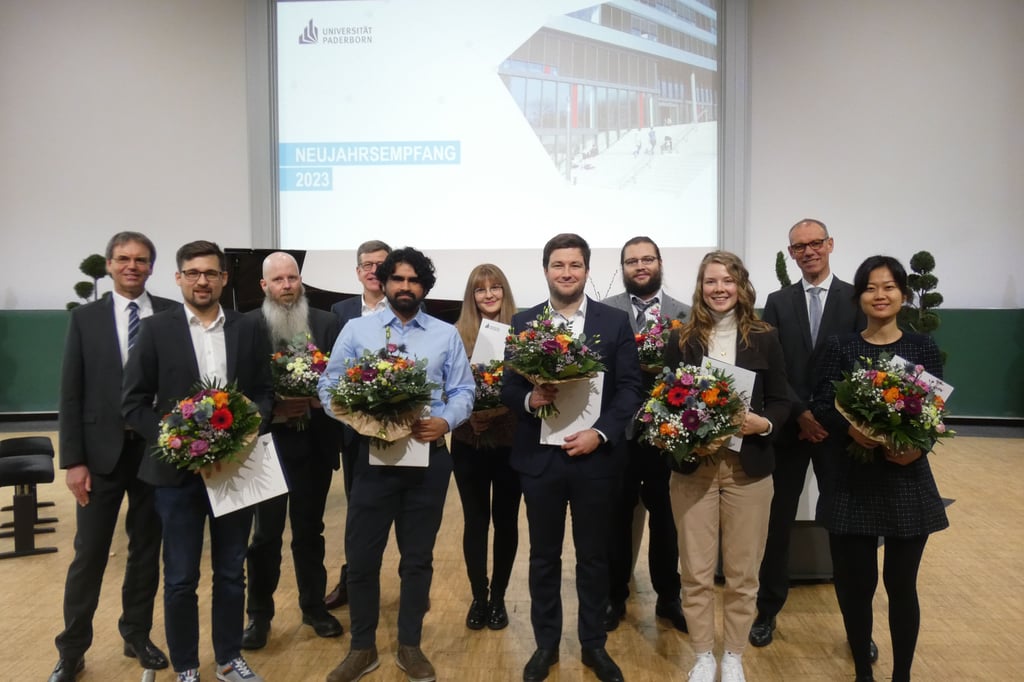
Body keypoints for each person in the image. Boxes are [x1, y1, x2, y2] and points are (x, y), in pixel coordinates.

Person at [318, 247, 474, 682]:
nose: (405, 287)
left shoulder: (444, 335)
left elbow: (464, 390)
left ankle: (410, 645)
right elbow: (328, 385)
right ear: (383, 283)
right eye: (397, 279)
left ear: (424, 287)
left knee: (417, 558)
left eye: (414, 281)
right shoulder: (356, 329)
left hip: (429, 464)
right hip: (372, 461)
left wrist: (446, 418)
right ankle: (362, 648)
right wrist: (358, 417)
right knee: (362, 559)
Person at [122, 240, 274, 682]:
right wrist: (175, 441)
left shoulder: (248, 328)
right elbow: (133, 404)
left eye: (211, 273)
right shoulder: (155, 330)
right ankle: (187, 666)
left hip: (235, 471)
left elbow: (265, 392)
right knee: (180, 578)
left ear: (224, 278)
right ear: (178, 278)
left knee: (230, 572)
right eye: (193, 273)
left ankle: (228, 658)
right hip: (176, 476)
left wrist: (248, 428)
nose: (202, 281)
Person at [502, 233, 643, 682]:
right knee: (543, 557)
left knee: (594, 557)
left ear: (586, 270)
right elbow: (508, 388)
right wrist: (531, 399)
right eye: (558, 265)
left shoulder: (613, 322)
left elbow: (629, 389)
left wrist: (600, 434)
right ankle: (545, 645)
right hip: (539, 463)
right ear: (546, 270)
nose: (567, 273)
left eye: (575, 265)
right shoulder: (524, 323)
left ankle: (592, 645)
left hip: (594, 461)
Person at [811, 255, 948, 682]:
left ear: (903, 295)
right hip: (853, 479)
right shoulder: (841, 346)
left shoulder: (921, 348)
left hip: (906, 479)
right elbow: (821, 406)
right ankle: (863, 675)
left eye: (889, 287)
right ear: (859, 298)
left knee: (902, 586)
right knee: (857, 587)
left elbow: (936, 411)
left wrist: (917, 448)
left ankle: (902, 675)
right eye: (871, 288)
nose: (880, 295)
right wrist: (852, 431)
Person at [50, 232, 174, 682]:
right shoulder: (85, 318)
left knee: (145, 550)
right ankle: (72, 649)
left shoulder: (170, 313)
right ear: (109, 264)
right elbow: (71, 392)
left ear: (152, 267)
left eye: (141, 260)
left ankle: (136, 633)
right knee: (90, 555)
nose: (132, 267)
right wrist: (73, 462)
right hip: (99, 456)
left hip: (155, 451)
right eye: (123, 259)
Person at [665, 251, 790, 682]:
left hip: (747, 470)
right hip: (695, 471)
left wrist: (765, 422)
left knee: (742, 573)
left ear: (741, 285)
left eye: (727, 280)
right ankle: (703, 655)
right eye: (710, 281)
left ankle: (732, 654)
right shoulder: (681, 339)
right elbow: (664, 400)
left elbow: (783, 398)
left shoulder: (766, 336)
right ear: (700, 287)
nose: (719, 289)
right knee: (696, 572)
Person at [751, 219, 868, 651]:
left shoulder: (854, 298)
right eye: (799, 247)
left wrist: (826, 416)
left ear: (830, 244)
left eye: (815, 243)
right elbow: (772, 365)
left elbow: (859, 365)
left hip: (838, 433)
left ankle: (858, 628)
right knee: (775, 525)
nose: (808, 251)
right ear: (791, 254)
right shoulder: (778, 302)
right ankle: (766, 612)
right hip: (789, 428)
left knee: (844, 528)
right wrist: (800, 413)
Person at [241, 252, 345, 650]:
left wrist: (319, 400)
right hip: (265, 447)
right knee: (264, 536)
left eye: (293, 278)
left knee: (309, 531)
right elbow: (240, 386)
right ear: (264, 286)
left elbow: (340, 378)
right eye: (278, 280)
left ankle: (314, 607)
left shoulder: (326, 322)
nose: (287, 286)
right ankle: (259, 617)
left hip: (314, 446)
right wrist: (275, 409)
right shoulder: (248, 325)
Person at [602, 236, 690, 632]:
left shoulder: (685, 315)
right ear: (622, 268)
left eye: (647, 259)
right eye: (632, 261)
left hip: (667, 436)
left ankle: (669, 598)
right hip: (618, 434)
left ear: (659, 263)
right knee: (616, 517)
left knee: (667, 521)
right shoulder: (604, 313)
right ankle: (614, 597)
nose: (640, 266)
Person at [451, 264, 521, 631]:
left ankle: (499, 598)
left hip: (511, 444)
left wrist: (497, 410)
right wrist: (469, 417)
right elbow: (445, 391)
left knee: (506, 522)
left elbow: (531, 389)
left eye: (496, 287)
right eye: (481, 290)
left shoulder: (524, 334)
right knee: (475, 522)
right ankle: (479, 597)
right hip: (468, 443)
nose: (489, 295)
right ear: (472, 297)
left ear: (505, 292)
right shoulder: (455, 336)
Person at [324, 239, 392, 610]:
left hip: (399, 426)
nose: (372, 270)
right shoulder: (340, 311)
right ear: (357, 271)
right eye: (366, 264)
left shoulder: (409, 306)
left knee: (400, 508)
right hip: (354, 432)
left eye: (380, 264)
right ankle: (353, 580)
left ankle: (408, 581)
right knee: (357, 511)